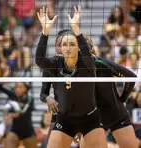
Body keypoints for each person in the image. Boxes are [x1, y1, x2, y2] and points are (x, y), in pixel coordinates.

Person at [36, 6, 108, 148]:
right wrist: (45, 32)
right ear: (60, 48)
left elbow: (87, 54)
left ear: (78, 47)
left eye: (72, 44)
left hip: (89, 119)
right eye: (64, 44)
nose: (68, 48)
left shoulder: (88, 62)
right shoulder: (55, 63)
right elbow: (39, 60)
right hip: (65, 119)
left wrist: (76, 29)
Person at [0, 83, 37, 148]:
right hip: (15, 130)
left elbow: (22, 112)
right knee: (9, 140)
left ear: (25, 89)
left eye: (20, 87)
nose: (17, 89)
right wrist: (3, 80)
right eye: (16, 87)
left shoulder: (29, 99)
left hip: (28, 131)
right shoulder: (13, 95)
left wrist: (9, 113)